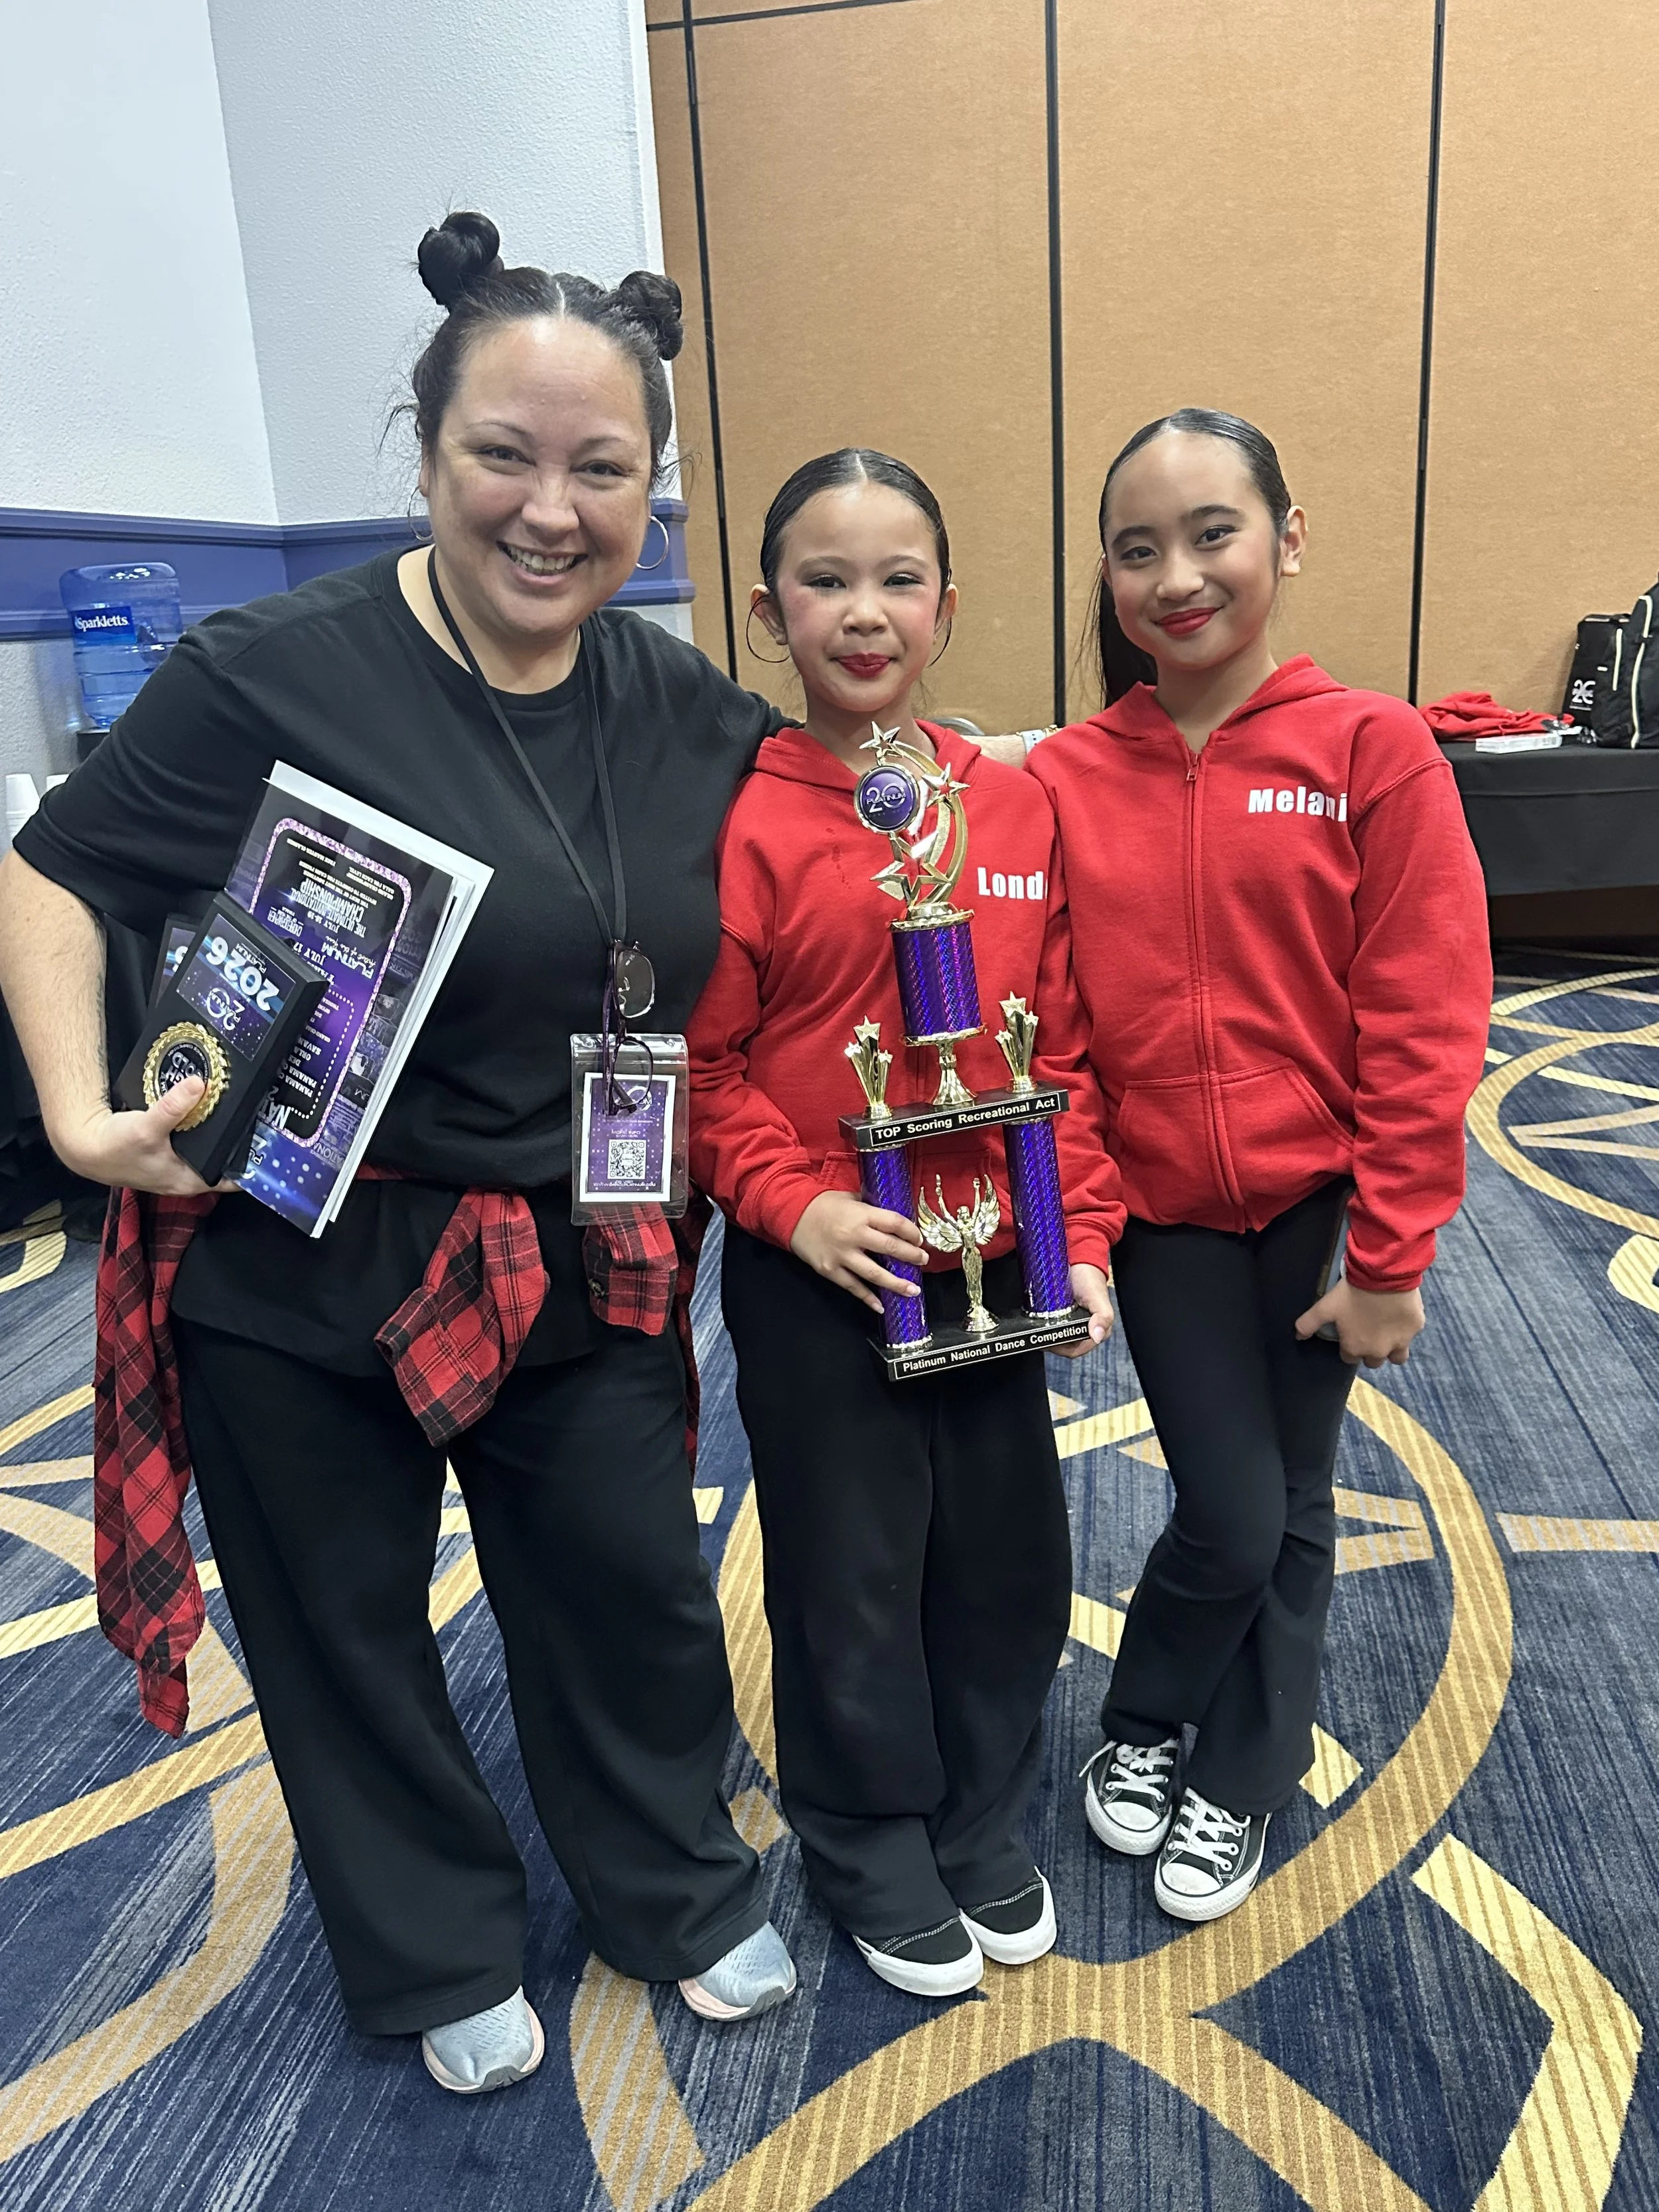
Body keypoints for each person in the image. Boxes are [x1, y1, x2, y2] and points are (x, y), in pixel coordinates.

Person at [0, 210, 799, 2093]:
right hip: (297, 1251)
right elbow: (51, 871)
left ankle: (671, 1888)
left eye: (602, 467)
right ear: (423, 452)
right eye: (501, 454)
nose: (551, 510)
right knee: (339, 1620)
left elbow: (836, 858)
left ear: (655, 485)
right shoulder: (266, 670)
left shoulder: (688, 710)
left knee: (628, 1590)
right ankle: (431, 1937)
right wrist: (76, 1110)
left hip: (583, 1234)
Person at [1025, 409, 1490, 1922]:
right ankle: (1154, 1707)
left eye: (1211, 533)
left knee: (1287, 1506)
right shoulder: (1067, 777)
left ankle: (1232, 1767)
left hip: (1314, 1212)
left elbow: (1424, 1011)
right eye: (1136, 549)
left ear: (1285, 539)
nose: (1175, 577)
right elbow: (1057, 1038)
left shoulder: (1371, 749)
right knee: (1234, 1510)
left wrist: (1390, 1255)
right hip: (1159, 1216)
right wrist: (1077, 1227)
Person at [685, 449, 1122, 1997]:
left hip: (990, 1248)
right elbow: (704, 1069)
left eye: (897, 579)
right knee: (847, 1567)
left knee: (1005, 1552)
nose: (862, 612)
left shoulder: (1006, 802)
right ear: (766, 612)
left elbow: (1060, 1048)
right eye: (824, 580)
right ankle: (868, 1830)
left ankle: (977, 1812)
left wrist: (1078, 1235)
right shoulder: (741, 816)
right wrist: (793, 1206)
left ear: (946, 603)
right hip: (822, 1268)